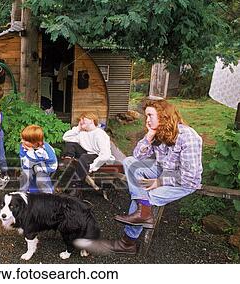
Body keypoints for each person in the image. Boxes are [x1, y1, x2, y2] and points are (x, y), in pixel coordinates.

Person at [86, 98, 203, 255]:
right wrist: (149, 135)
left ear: (163, 116)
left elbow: (190, 175)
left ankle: (127, 243)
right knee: (130, 162)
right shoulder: (158, 132)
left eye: (150, 116)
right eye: (146, 116)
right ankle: (143, 211)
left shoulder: (188, 136)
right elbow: (137, 156)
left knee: (147, 195)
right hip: (162, 169)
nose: (147, 120)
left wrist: (160, 181)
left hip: (183, 182)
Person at [61, 112, 114, 196]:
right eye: (80, 120)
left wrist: (93, 167)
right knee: (70, 144)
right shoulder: (82, 132)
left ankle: (76, 186)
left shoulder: (100, 134)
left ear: (91, 120)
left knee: (84, 158)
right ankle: (67, 162)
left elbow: (105, 155)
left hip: (99, 156)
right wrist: (78, 128)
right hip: (87, 153)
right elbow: (66, 138)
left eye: (83, 119)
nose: (81, 121)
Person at [19, 125, 58, 194]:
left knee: (41, 179)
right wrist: (30, 153)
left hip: (44, 167)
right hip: (29, 166)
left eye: (25, 140)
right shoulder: (23, 147)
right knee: (25, 174)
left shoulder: (47, 150)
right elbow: (24, 164)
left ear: (35, 142)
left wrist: (40, 168)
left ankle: (48, 195)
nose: (22, 141)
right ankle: (23, 193)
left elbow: (53, 166)